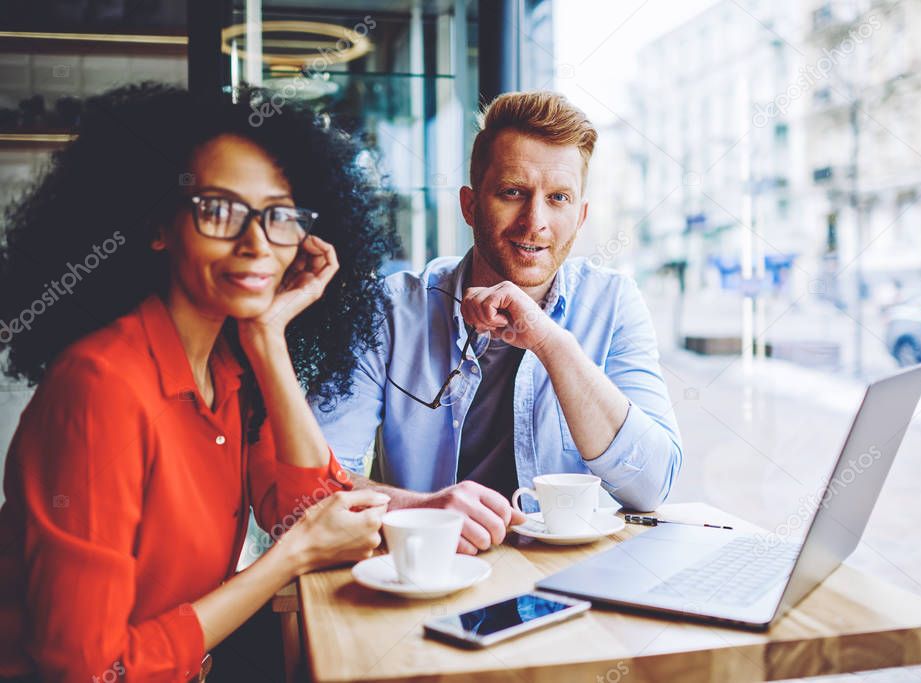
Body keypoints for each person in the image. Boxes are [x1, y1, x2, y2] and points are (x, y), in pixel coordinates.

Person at [0, 83, 396, 681]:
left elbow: (311, 509)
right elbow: (87, 669)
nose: (257, 243)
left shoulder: (230, 366)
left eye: (279, 216)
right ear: (158, 225)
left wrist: (267, 337)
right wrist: (292, 557)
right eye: (219, 210)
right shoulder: (100, 386)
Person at [313, 91, 683, 556]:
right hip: (429, 577)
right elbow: (317, 481)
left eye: (559, 198)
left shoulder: (613, 303)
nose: (535, 222)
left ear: (581, 215)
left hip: (571, 582)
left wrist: (549, 341)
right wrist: (421, 510)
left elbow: (651, 486)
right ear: (471, 206)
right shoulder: (391, 309)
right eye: (513, 193)